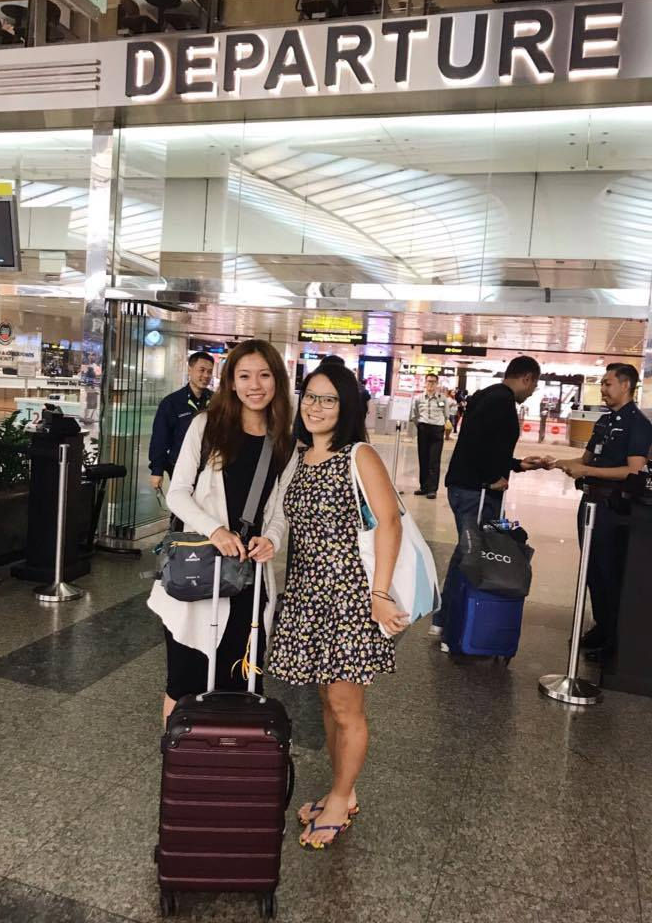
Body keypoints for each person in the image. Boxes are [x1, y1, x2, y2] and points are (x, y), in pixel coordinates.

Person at [268, 363, 406, 851]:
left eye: (329, 399)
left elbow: (390, 523)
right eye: (310, 396)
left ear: (346, 407)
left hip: (349, 598)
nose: (316, 406)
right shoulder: (299, 456)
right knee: (327, 700)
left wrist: (380, 595)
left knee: (347, 706)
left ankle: (342, 798)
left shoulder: (358, 455)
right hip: (308, 594)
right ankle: (340, 790)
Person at [147, 340, 298, 726]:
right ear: (230, 381)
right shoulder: (207, 426)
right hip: (200, 571)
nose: (254, 385)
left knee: (241, 682)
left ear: (277, 381)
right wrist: (214, 529)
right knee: (184, 681)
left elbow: (280, 510)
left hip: (249, 578)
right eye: (244, 376)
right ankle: (178, 754)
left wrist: (272, 539)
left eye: (264, 375)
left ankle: (230, 755)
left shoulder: (284, 442)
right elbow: (178, 492)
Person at [430, 356, 553, 640]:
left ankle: (447, 619)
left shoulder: (489, 396)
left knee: (469, 550)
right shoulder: (500, 401)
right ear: (526, 378)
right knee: (473, 554)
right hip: (477, 493)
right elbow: (476, 444)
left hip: (469, 488)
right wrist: (490, 477)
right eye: (534, 385)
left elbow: (488, 446)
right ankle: (451, 625)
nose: (532, 392)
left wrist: (518, 464)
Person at [554, 363, 652, 662]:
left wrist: (587, 470)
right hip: (590, 503)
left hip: (613, 509)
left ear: (626, 385)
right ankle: (602, 625)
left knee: (610, 572)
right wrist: (556, 462)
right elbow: (586, 460)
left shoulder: (637, 424)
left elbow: (633, 470)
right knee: (592, 569)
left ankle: (614, 637)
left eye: (608, 384)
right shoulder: (605, 421)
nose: (603, 390)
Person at [148, 351, 215, 493]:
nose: (206, 375)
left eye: (209, 372)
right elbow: (160, 438)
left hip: (209, 468)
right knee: (182, 502)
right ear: (190, 370)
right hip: (180, 466)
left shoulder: (216, 401)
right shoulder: (172, 402)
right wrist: (157, 470)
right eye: (202, 370)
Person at [413, 373, 452, 499]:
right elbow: (415, 414)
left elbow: (446, 414)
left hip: (437, 430)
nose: (431, 384)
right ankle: (424, 487)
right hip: (423, 429)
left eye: (433, 382)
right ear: (425, 382)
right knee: (423, 458)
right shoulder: (418, 398)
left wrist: (439, 425)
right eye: (429, 381)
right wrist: (420, 425)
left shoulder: (442, 399)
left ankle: (432, 489)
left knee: (434, 460)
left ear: (437, 384)